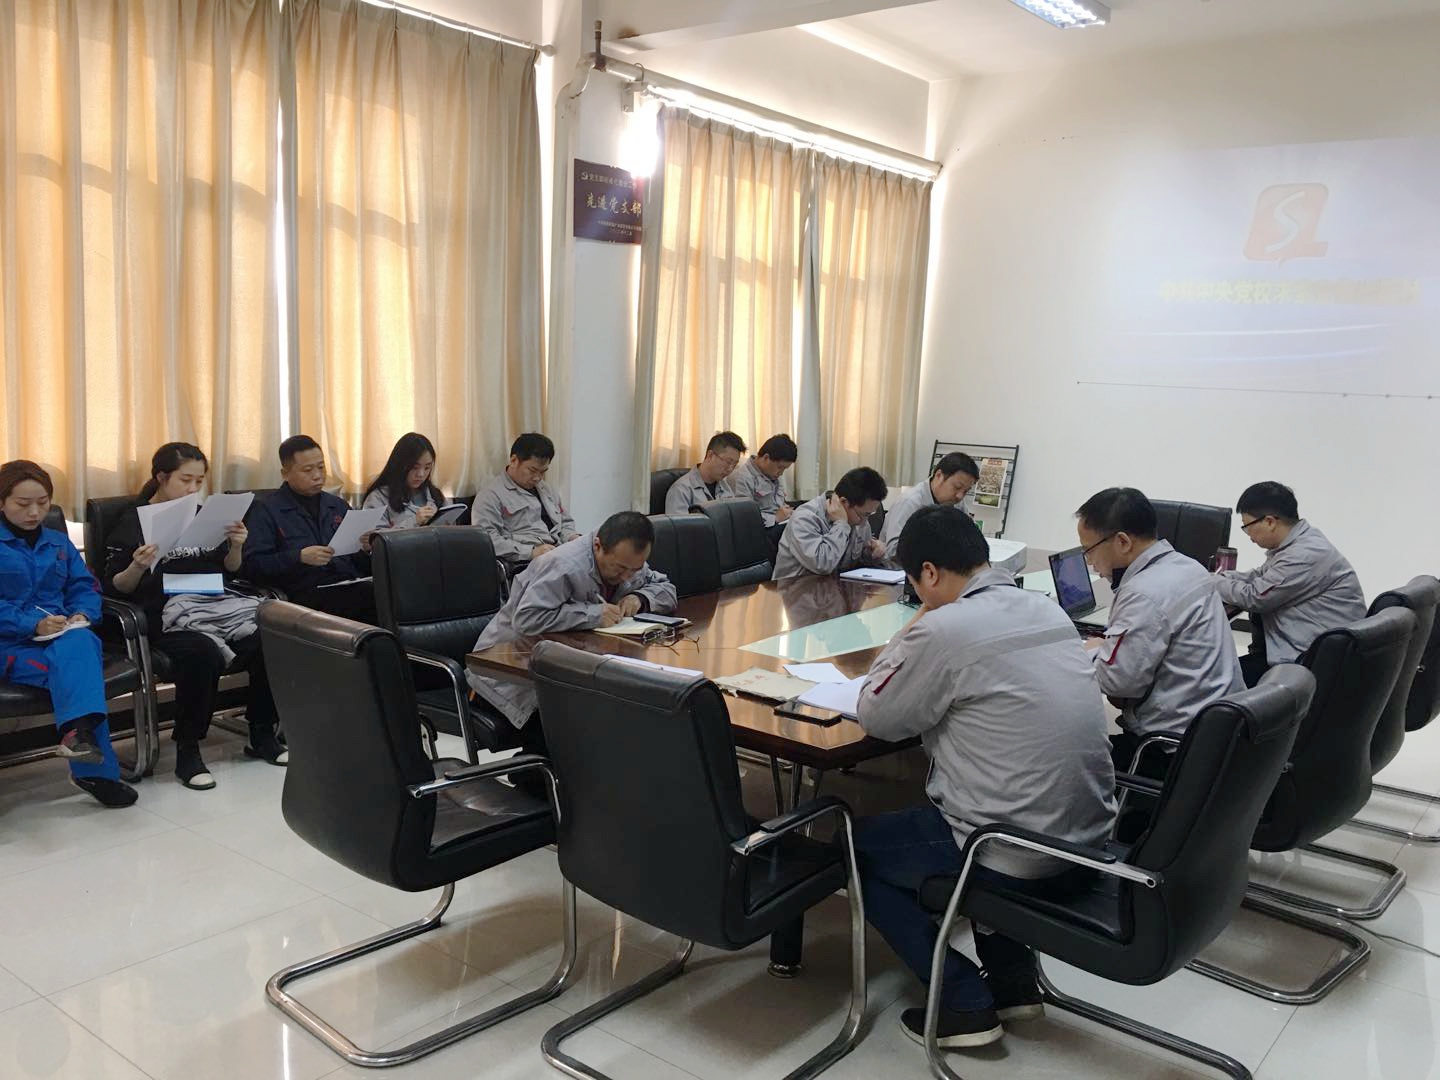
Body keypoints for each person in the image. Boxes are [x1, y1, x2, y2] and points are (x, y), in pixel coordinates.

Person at [854, 506, 1116, 1051]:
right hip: (1087, 840)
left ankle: (963, 999)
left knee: (854, 851)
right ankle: (1014, 985)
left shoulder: (945, 628)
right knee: (998, 788)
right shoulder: (1045, 609)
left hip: (1010, 850)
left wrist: (914, 625)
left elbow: (876, 714)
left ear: (928, 573)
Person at [103, 443, 286, 789]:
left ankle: (261, 731)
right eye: (185, 480)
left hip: (213, 605)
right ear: (161, 477)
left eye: (199, 481)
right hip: (164, 616)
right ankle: (189, 747)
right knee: (203, 652)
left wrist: (236, 545)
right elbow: (117, 587)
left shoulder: (204, 515)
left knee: (270, 639)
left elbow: (230, 571)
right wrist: (137, 566)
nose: (192, 489)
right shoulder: (133, 522)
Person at [466, 512, 677, 755]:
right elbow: (527, 619)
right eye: (620, 569)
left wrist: (640, 597)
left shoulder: (628, 562)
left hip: (570, 669)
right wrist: (592, 614)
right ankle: (535, 774)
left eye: (634, 570)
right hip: (507, 678)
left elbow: (666, 588)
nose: (627, 577)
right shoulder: (562, 565)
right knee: (585, 727)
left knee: (626, 712)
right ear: (598, 545)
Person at [0, 460, 138, 807]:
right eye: (22, 504)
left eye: (43, 502)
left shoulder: (58, 542)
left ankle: (78, 736)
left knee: (81, 639)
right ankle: (94, 770)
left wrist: (82, 613)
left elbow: (84, 586)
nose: (34, 512)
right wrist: (30, 624)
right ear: (1, 503)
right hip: (11, 645)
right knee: (81, 673)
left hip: (62, 638)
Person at [1075, 487, 1243, 772]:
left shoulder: (1143, 592)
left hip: (1170, 752)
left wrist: (1084, 653)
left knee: (1066, 761)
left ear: (1122, 542)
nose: (1089, 562)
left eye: (1088, 550)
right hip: (1217, 737)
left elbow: (1117, 683)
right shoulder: (1187, 566)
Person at [1215, 481, 1366, 687]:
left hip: (1312, 668)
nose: (1249, 536)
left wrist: (1210, 582)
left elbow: (1256, 597)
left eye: (1247, 527)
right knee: (1220, 675)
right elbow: (1261, 576)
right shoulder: (1300, 541)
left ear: (1269, 522)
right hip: (1311, 654)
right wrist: (1222, 578)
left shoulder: (1304, 554)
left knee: (1214, 683)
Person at [242, 435, 376, 622]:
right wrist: (298, 557)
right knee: (371, 598)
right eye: (308, 470)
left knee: (393, 589)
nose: (317, 475)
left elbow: (358, 562)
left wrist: (366, 550)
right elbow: (253, 566)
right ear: (285, 474)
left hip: (349, 582)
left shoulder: (337, 505)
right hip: (305, 593)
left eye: (321, 467)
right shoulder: (266, 510)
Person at [473, 433, 579, 573]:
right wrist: (530, 552)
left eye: (543, 472)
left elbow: (565, 522)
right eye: (532, 470)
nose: (537, 478)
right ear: (514, 460)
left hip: (558, 554)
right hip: (526, 564)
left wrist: (572, 537)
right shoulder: (490, 496)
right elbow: (487, 540)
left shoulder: (546, 489)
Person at [771, 466, 888, 580]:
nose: (865, 521)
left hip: (836, 588)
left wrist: (872, 554)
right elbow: (823, 565)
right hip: (795, 589)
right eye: (864, 514)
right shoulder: (804, 518)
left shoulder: (859, 520)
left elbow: (857, 563)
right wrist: (841, 524)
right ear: (844, 502)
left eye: (869, 514)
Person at [880, 452, 980, 565]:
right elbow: (893, 550)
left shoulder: (957, 503)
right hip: (902, 570)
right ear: (939, 475)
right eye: (957, 487)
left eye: (965, 491)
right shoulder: (910, 502)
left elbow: (969, 537)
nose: (960, 496)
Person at [361, 433, 446, 530]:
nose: (421, 474)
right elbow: (375, 537)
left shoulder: (436, 495)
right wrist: (414, 521)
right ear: (399, 464)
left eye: (427, 468)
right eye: (414, 467)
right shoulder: (378, 498)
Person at [663, 431, 745, 515]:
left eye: (734, 465)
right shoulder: (681, 490)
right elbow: (679, 523)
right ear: (710, 455)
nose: (730, 469)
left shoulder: (724, 486)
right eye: (728, 462)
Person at [729, 434, 798, 528]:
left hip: (780, 522)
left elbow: (780, 504)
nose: (781, 473)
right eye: (780, 467)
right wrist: (775, 518)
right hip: (762, 529)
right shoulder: (743, 477)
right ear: (766, 458)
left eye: (784, 469)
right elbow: (743, 516)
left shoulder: (771, 474)